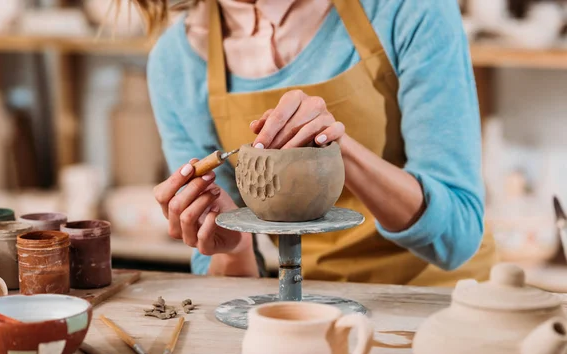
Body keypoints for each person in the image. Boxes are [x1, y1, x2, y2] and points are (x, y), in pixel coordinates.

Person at [133, 0, 497, 286]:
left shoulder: (407, 8)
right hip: (307, 308)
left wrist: (339, 149)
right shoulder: (175, 61)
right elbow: (229, 280)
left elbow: (458, 237)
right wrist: (234, 248)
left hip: (438, 301)